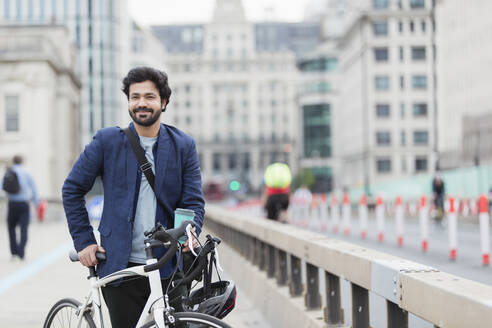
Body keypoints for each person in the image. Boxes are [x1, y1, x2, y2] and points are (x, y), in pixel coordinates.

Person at [62, 66, 205, 328]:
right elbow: (72, 189)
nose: (141, 103)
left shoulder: (183, 145)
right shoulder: (107, 141)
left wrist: (190, 231)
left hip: (168, 265)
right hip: (120, 267)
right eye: (135, 97)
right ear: (128, 102)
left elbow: (193, 201)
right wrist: (84, 241)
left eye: (149, 97)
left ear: (163, 102)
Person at [1, 155, 39, 260]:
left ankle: (13, 252)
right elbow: (34, 189)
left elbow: (2, 186)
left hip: (12, 204)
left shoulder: (9, 172)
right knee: (24, 228)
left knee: (11, 228)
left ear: (13, 162)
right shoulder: (26, 173)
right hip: (24, 204)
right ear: (22, 162)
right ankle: (21, 252)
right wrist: (36, 204)